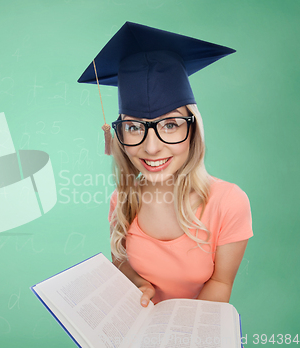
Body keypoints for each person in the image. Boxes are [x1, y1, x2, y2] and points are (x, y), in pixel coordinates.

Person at [78, 22, 253, 307]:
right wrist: (136, 283)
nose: (150, 147)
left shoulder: (228, 202)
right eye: (134, 127)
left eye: (170, 125)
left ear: (193, 129)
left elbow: (221, 283)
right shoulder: (122, 200)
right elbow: (121, 263)